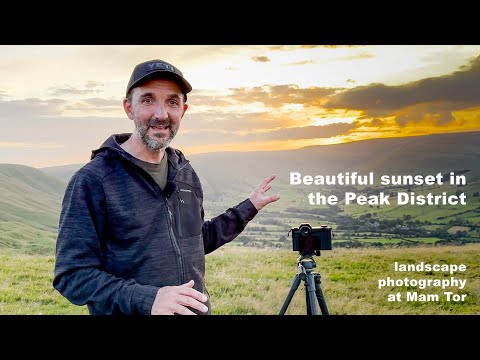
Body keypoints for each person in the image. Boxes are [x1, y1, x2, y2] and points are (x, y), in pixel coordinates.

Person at [53, 59, 280, 315]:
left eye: (172, 102)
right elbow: (72, 275)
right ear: (129, 108)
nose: (161, 114)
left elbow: (194, 241)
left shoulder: (185, 174)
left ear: (183, 110)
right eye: (148, 100)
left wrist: (247, 209)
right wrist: (148, 299)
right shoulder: (94, 180)